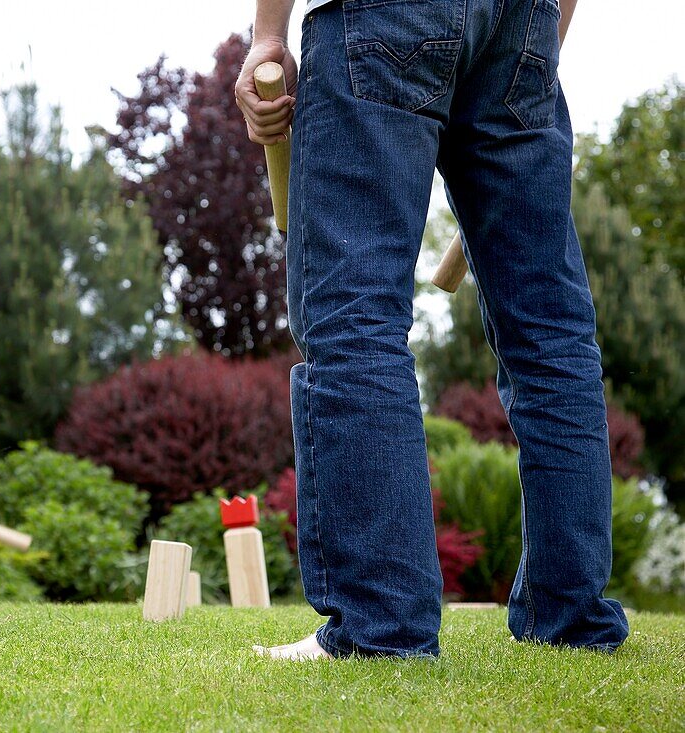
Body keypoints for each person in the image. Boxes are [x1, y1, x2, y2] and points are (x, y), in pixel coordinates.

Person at [236, 0, 629, 659]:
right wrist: (533, 45)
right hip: (525, 23)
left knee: (356, 314)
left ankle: (380, 630)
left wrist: (268, 35)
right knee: (550, 336)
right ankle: (571, 623)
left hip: (384, 17)